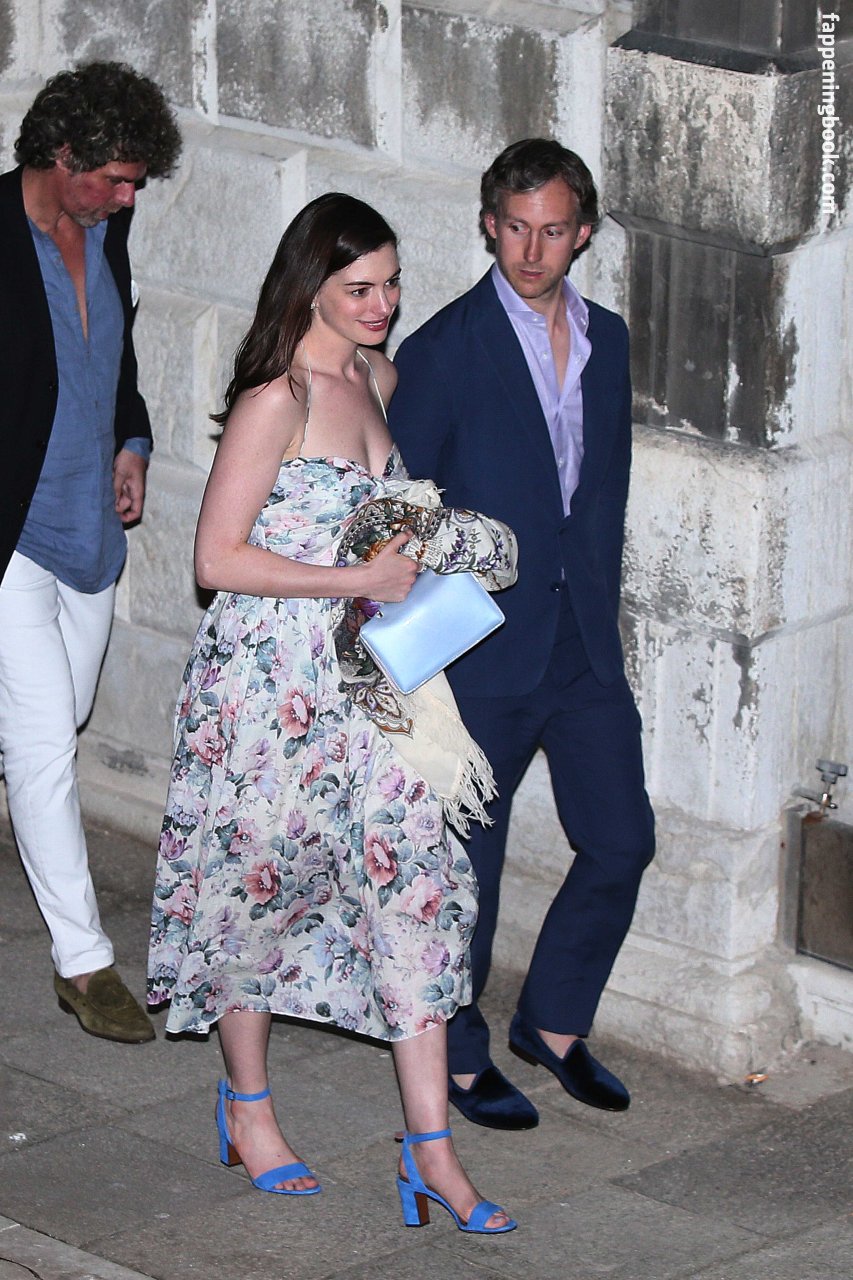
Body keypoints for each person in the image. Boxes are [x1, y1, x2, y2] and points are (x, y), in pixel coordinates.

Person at [147, 193, 517, 1232]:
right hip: (267, 687)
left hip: (369, 688)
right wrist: (356, 578)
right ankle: (249, 1107)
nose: (381, 304)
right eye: (360, 287)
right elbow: (215, 559)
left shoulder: (377, 376)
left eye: (391, 284)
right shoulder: (277, 398)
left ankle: (431, 1150)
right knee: (255, 890)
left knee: (411, 888)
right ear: (310, 284)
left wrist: (424, 549)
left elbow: (375, 525)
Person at [388, 138, 656, 1130]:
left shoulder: (607, 339)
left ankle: (551, 1021)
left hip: (581, 642)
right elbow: (401, 503)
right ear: (488, 225)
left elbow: (596, 493)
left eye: (552, 230)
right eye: (514, 228)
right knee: (468, 866)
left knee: (621, 840)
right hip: (483, 648)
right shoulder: (443, 348)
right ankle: (458, 1056)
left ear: (581, 234)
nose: (531, 250)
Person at [0, 63, 181, 1043]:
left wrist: (132, 440)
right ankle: (84, 963)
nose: (128, 196)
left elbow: (115, 358)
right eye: (115, 178)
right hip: (13, 535)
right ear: (63, 155)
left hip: (89, 529)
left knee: (60, 712)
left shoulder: (106, 232)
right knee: (41, 746)